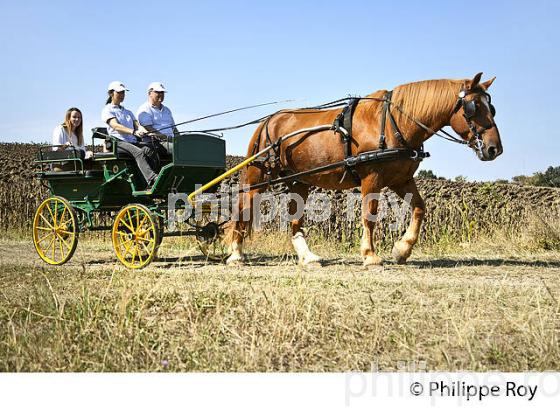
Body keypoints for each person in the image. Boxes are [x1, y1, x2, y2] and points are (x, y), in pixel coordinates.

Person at [101, 81, 160, 188]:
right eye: (119, 92)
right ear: (111, 94)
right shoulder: (107, 110)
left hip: (130, 141)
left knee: (150, 149)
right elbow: (115, 126)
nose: (122, 95)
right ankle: (152, 179)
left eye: (123, 92)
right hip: (117, 142)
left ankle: (153, 179)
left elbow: (137, 125)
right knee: (138, 152)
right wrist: (133, 132)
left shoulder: (128, 112)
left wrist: (145, 131)